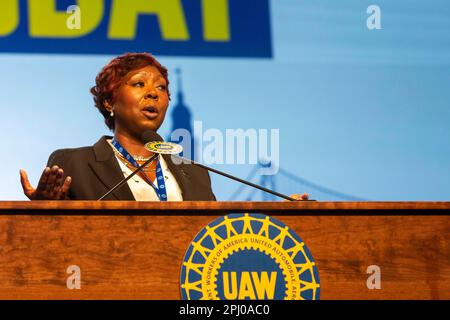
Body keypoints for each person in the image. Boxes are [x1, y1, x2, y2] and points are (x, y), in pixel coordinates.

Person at [19, 52, 308, 201]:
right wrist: (46, 209)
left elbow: (219, 235)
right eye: (139, 84)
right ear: (109, 101)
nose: (154, 93)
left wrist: (279, 213)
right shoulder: (73, 163)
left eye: (162, 87)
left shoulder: (194, 172)